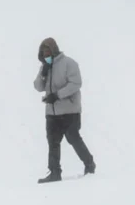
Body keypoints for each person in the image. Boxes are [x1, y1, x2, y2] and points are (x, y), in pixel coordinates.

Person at [33, 37, 95, 183]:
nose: (46, 56)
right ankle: (54, 172)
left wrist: (57, 95)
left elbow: (76, 83)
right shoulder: (44, 67)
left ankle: (89, 164)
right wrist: (43, 73)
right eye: (43, 54)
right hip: (52, 112)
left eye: (48, 53)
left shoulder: (69, 63)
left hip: (70, 111)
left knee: (73, 138)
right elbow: (38, 87)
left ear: (54, 50)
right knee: (53, 141)